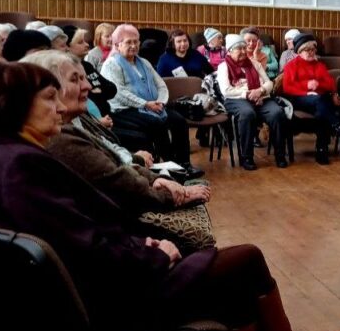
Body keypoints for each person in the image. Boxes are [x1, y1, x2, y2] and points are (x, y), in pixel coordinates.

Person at [0, 60, 340, 331]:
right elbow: (84, 248)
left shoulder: (8, 156)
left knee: (235, 278)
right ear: (16, 103)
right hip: (110, 301)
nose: (60, 107)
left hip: (94, 289)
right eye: (49, 98)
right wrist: (154, 253)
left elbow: (79, 235)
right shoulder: (21, 166)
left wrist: (140, 243)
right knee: (246, 260)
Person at [25, 50, 211, 217]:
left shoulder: (79, 118)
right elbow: (115, 182)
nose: (88, 86)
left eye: (84, 78)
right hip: (110, 218)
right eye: (75, 80)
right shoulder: (59, 137)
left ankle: (181, 164)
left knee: (173, 120)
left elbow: (112, 159)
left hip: (118, 203)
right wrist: (169, 194)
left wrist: (157, 179)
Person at [100, 24, 201, 176]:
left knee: (179, 121)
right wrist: (145, 104)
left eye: (136, 41)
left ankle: (185, 163)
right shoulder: (111, 64)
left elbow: (161, 85)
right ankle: (172, 167)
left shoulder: (144, 63)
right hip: (125, 110)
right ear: (117, 45)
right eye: (128, 42)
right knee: (157, 123)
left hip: (152, 105)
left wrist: (161, 101)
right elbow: (119, 93)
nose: (133, 45)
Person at [218, 36, 288, 170]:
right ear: (230, 51)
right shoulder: (223, 67)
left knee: (277, 113)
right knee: (247, 114)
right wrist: (248, 93)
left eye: (244, 48)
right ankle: (247, 157)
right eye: (239, 49)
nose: (243, 51)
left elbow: (269, 83)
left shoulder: (254, 63)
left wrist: (260, 91)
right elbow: (226, 90)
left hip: (260, 96)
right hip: (236, 99)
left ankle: (280, 155)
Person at [281, 33, 340, 165]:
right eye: (307, 50)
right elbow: (287, 87)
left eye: (313, 50)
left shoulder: (319, 65)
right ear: (299, 51)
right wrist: (306, 86)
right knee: (322, 103)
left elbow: (330, 84)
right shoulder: (291, 65)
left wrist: (318, 85)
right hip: (299, 99)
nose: (311, 52)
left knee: (321, 112)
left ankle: (322, 148)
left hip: (320, 100)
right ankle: (335, 128)